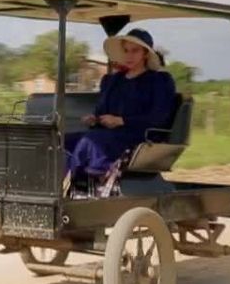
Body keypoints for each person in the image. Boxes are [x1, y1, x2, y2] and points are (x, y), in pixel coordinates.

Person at [65, 28, 177, 188]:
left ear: (145, 53)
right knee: (63, 141)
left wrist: (122, 121)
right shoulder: (113, 81)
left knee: (89, 142)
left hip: (139, 137)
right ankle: (56, 183)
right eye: (126, 51)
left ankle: (75, 184)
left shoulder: (159, 81)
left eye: (134, 51)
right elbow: (102, 111)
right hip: (108, 134)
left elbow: (159, 117)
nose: (129, 55)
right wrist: (94, 119)